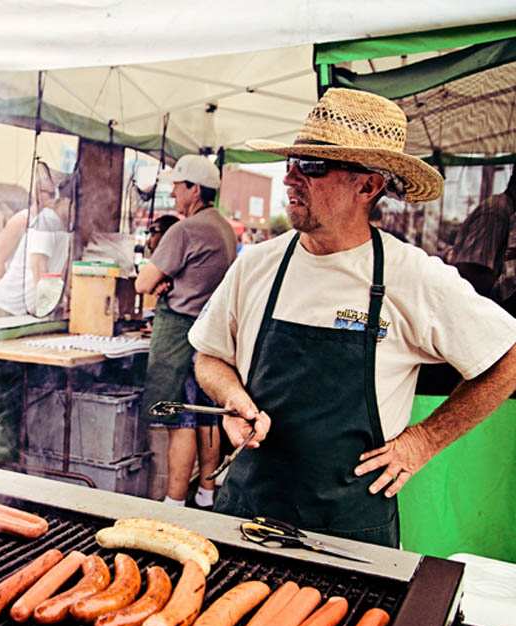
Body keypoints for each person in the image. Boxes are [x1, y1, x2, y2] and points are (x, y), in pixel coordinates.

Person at [189, 88, 516, 547]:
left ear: (368, 185)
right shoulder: (256, 264)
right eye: (292, 163)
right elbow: (208, 356)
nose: (291, 177)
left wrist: (424, 441)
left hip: (350, 533)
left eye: (314, 166)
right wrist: (233, 402)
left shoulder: (411, 275)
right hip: (247, 512)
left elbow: (508, 359)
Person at [135, 157, 237, 508]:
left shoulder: (184, 229)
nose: (173, 193)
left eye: (178, 187)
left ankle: (174, 502)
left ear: (194, 189)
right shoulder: (223, 228)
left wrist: (163, 280)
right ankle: (206, 494)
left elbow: (143, 282)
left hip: (180, 333)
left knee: (180, 418)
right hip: (209, 335)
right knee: (206, 415)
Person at [0, 167, 70, 317]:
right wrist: (12, 297)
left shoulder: (58, 224)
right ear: (37, 193)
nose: (53, 199)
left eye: (55, 194)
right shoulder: (23, 219)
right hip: (9, 307)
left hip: (29, 307)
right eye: (50, 194)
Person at [451, 168, 516, 317]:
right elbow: (471, 271)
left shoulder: (508, 211)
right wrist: (504, 305)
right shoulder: (496, 212)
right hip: (476, 314)